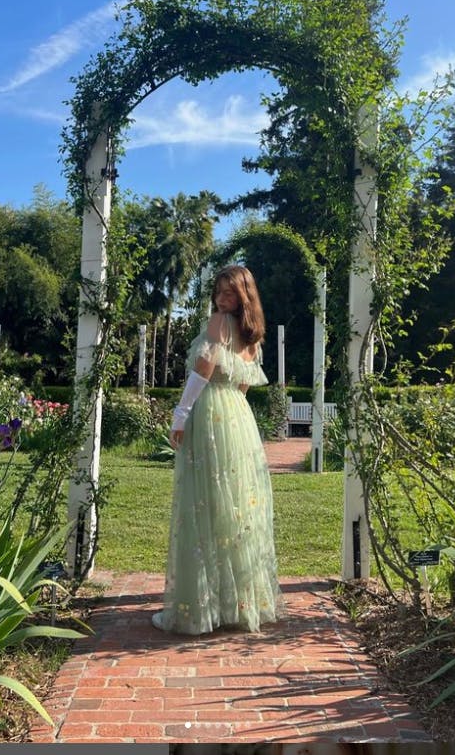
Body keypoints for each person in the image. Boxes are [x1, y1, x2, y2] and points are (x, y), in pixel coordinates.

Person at [152, 264, 284, 635]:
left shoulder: (218, 324)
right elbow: (243, 385)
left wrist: (180, 415)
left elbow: (201, 372)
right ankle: (236, 604)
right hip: (239, 420)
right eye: (219, 291)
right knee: (235, 507)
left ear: (243, 296)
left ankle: (201, 606)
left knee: (205, 504)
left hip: (210, 414)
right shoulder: (252, 336)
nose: (221, 299)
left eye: (230, 293)